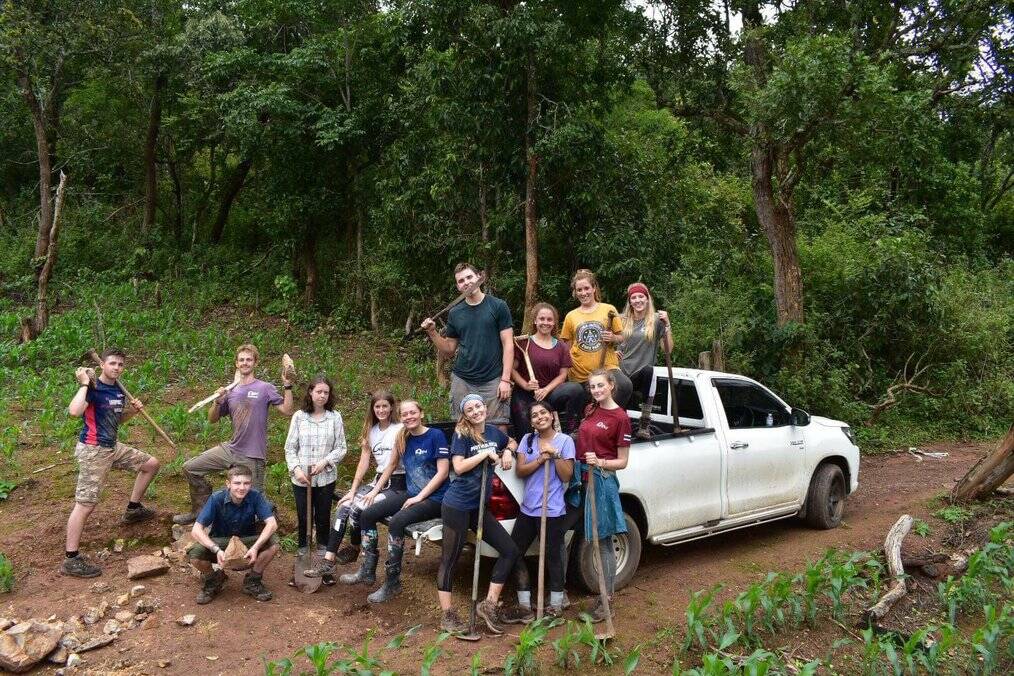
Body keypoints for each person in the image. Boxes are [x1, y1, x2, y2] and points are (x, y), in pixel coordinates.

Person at [62, 348, 161, 578]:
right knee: (86, 504)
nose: (117, 367)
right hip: (94, 451)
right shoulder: (94, 389)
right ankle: (71, 559)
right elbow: (75, 412)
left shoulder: (119, 389)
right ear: (102, 365)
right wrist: (85, 384)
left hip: (112, 447)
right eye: (113, 363)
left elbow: (115, 420)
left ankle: (133, 509)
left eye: (120, 364)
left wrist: (133, 412)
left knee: (151, 464)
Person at [173, 344, 294, 525]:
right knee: (191, 467)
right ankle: (201, 511)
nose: (245, 363)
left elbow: (287, 410)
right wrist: (217, 401)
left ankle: (269, 508)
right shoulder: (231, 391)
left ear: (255, 362)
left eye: (249, 360)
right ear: (236, 364)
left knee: (254, 499)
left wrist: (287, 385)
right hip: (231, 449)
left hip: (252, 454)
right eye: (242, 360)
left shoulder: (265, 388)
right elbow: (212, 419)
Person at [344, 400, 450, 602]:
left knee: (397, 522)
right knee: (367, 514)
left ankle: (393, 582)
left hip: (435, 498)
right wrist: (375, 491)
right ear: (400, 418)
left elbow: (443, 472)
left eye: (413, 413)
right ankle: (367, 569)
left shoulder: (435, 435)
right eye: (405, 414)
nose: (409, 417)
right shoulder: (403, 436)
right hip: (412, 494)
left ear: (421, 413)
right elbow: (391, 465)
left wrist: (419, 497)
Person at [436, 394, 519, 634]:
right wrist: (485, 454)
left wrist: (507, 453)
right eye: (469, 409)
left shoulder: (494, 433)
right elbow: (459, 467)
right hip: (457, 505)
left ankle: (489, 604)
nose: (475, 411)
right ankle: (447, 615)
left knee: (510, 550)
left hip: (478, 507)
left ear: (485, 408)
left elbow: (511, 441)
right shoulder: (462, 434)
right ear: (465, 414)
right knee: (449, 559)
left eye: (478, 406)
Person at [307, 390, 404, 583]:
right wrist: (353, 490)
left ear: (392, 407)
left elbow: (393, 464)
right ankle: (330, 559)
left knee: (359, 509)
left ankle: (359, 554)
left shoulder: (400, 429)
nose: (381, 410)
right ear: (372, 408)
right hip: (379, 480)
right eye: (377, 406)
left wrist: (375, 491)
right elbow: (364, 461)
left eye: (385, 406)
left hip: (398, 482)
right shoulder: (371, 430)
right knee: (344, 506)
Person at [500, 400, 576, 623]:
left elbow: (566, 476)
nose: (539, 417)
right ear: (531, 421)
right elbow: (522, 470)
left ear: (552, 416)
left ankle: (555, 604)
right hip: (528, 509)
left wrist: (555, 456)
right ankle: (525, 603)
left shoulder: (565, 441)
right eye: (534, 415)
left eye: (543, 413)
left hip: (551, 510)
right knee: (514, 552)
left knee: (552, 556)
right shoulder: (527, 439)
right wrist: (541, 458)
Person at [421, 262, 514, 430]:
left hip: (493, 378)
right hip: (463, 379)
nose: (466, 282)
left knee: (498, 428)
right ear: (458, 286)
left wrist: (505, 379)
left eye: (469, 277)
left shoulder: (498, 306)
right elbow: (449, 349)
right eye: (461, 280)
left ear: (479, 277)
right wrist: (433, 332)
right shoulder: (455, 313)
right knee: (463, 427)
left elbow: (508, 343)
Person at [576, 369, 631, 623]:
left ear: (611, 385)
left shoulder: (620, 418)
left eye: (600, 385)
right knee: (595, 541)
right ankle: (602, 596)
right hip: (585, 479)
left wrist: (600, 461)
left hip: (603, 481)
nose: (596, 390)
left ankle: (606, 599)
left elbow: (622, 462)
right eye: (592, 386)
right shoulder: (590, 410)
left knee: (605, 542)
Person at [187, 465, 279, 604]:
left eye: (246, 483)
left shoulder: (255, 497)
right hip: (220, 542)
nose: (242, 488)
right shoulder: (216, 498)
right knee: (195, 554)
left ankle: (253, 581)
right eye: (237, 483)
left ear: (250, 484)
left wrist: (255, 547)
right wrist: (215, 549)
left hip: (246, 542)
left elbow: (272, 524)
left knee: (273, 543)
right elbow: (196, 529)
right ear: (228, 484)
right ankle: (213, 580)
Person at [283, 376, 347, 556]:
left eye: (326, 392)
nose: (322, 396)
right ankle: (303, 555)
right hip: (301, 478)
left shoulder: (335, 417)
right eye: (319, 391)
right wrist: (296, 470)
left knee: (323, 518)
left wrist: (324, 462)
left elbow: (341, 448)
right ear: (310, 392)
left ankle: (323, 558)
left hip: (326, 478)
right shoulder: (299, 417)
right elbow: (290, 448)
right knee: (304, 517)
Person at [559, 269, 633, 409]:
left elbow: (621, 337)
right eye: (579, 290)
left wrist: (612, 337)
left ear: (594, 288)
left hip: (607, 368)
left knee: (624, 386)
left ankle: (608, 418)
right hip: (581, 373)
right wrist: (566, 372)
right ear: (575, 292)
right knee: (582, 403)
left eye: (586, 288)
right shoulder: (571, 316)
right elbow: (566, 348)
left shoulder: (608, 309)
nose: (583, 293)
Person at [511, 302, 586, 433]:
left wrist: (546, 390)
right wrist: (525, 385)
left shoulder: (561, 347)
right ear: (535, 321)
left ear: (554, 322)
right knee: (525, 432)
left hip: (550, 394)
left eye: (549, 319)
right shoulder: (523, 343)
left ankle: (572, 432)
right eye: (542, 319)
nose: (545, 322)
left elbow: (563, 375)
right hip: (525, 394)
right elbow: (512, 370)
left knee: (575, 389)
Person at [617, 282, 673, 439]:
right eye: (633, 297)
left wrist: (667, 325)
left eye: (641, 296)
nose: (637, 300)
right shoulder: (622, 320)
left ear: (647, 299)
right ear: (630, 301)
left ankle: (644, 422)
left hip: (641, 374)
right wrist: (614, 351)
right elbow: (615, 343)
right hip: (622, 372)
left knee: (650, 370)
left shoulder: (656, 320)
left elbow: (667, 349)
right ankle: (620, 429)